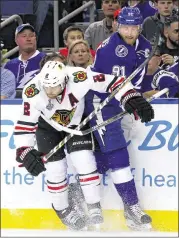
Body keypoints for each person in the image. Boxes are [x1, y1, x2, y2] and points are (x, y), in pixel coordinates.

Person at [14, 59, 154, 230]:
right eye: (47, 87)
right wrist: (25, 150)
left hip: (76, 125)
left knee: (85, 160)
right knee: (55, 169)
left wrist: (130, 96)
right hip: (47, 128)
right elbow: (25, 124)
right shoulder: (32, 90)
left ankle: (93, 206)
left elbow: (114, 82)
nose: (50, 91)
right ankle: (62, 209)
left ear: (65, 80)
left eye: (55, 87)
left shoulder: (79, 76)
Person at [84, 7, 153, 230]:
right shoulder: (108, 50)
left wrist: (137, 96)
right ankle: (132, 207)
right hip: (102, 103)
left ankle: (81, 188)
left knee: (107, 154)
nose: (130, 32)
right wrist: (131, 97)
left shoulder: (145, 46)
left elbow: (138, 79)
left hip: (125, 103)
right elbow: (104, 85)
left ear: (140, 27)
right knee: (117, 151)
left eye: (134, 27)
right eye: (125, 27)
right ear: (117, 25)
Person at [3, 24, 45, 91]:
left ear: (35, 39)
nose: (28, 39)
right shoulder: (9, 66)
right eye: (24, 36)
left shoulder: (47, 60)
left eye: (31, 36)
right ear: (16, 40)